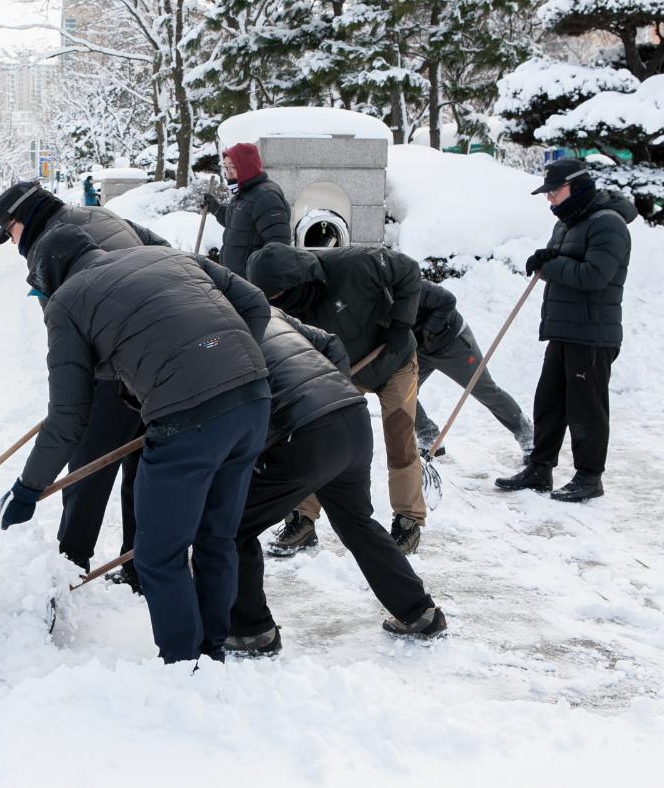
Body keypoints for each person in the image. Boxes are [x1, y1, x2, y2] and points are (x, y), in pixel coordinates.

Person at [0, 223, 272, 665]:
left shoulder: (67, 301)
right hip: (253, 400)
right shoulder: (168, 255)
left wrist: (29, 488)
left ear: (50, 278)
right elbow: (255, 303)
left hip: (189, 420)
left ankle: (184, 667)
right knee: (215, 538)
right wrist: (229, 362)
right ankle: (212, 651)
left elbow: (69, 418)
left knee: (158, 555)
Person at [228, 309, 447, 655]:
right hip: (350, 415)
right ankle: (420, 613)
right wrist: (334, 389)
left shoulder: (216, 330)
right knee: (357, 523)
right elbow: (331, 343)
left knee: (231, 527)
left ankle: (253, 630)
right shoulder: (271, 312)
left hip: (304, 433)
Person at [0, 182, 169, 588]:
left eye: (9, 232)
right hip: (161, 359)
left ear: (23, 219)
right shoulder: (103, 215)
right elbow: (164, 249)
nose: (12, 242)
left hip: (114, 362)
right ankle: (140, 565)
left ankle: (71, 563)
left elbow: (66, 329)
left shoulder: (46, 248)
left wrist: (73, 400)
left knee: (88, 463)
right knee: (141, 463)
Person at [246, 242, 425, 555]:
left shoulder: (356, 263)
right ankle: (302, 518)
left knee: (400, 441)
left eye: (276, 296)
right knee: (318, 438)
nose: (276, 304)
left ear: (294, 281)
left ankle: (407, 519)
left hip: (394, 360)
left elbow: (409, 269)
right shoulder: (289, 308)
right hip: (343, 370)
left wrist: (401, 322)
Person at [495, 158, 635, 502]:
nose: (549, 199)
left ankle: (589, 477)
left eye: (554, 191)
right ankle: (540, 468)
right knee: (549, 402)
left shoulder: (608, 225)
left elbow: (593, 276)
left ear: (577, 185)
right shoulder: (569, 223)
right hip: (564, 329)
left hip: (592, 333)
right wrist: (547, 258)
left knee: (586, 408)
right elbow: (564, 263)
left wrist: (551, 263)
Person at [414, 279, 534, 459]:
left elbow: (447, 300)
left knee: (485, 390)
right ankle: (428, 435)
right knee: (401, 393)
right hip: (419, 349)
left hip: (452, 342)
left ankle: (528, 434)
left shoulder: (407, 283)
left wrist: (429, 330)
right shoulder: (367, 304)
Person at [202, 143, 292, 277]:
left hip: (252, 284)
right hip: (236, 280)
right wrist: (216, 209)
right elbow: (239, 225)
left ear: (246, 166)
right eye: (226, 167)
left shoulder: (266, 197)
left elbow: (278, 246)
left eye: (232, 167)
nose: (228, 173)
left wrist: (260, 278)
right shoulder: (244, 193)